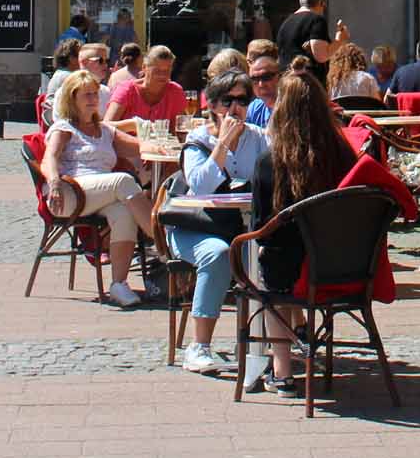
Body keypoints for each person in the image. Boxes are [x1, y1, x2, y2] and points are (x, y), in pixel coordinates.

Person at [243, 62, 359, 394]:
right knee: (288, 253)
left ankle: (282, 370)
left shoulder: (272, 159)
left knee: (273, 261)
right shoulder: (343, 154)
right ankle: (303, 332)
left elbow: (262, 225)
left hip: (292, 271)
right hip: (342, 265)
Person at [164, 72, 269, 374]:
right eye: (228, 101)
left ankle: (264, 342)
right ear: (211, 104)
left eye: (242, 100)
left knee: (273, 252)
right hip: (195, 228)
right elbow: (201, 186)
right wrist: (222, 144)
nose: (235, 108)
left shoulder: (259, 138)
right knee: (217, 254)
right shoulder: (198, 142)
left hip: (240, 226)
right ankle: (199, 346)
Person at [41, 71, 155, 306]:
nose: (93, 99)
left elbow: (140, 147)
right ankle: (163, 244)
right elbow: (48, 158)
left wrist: (164, 147)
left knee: (124, 214)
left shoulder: (103, 130)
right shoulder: (64, 128)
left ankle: (118, 284)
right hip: (68, 193)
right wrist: (53, 184)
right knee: (122, 180)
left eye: (95, 94)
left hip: (101, 193)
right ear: (72, 99)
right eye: (87, 95)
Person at [104, 44, 187, 127]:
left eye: (167, 70)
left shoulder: (175, 92)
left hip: (162, 140)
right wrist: (133, 125)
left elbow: (179, 127)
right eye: (157, 70)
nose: (163, 75)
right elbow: (107, 126)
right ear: (144, 67)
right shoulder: (127, 90)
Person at [273, 0, 334, 68]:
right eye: (324, 5)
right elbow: (322, 56)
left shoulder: (286, 23)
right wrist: (340, 40)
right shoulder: (316, 20)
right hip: (307, 79)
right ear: (321, 2)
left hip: (285, 78)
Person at [245, 51, 283, 129]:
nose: (261, 84)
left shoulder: (294, 106)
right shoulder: (254, 109)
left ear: (280, 77)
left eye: (266, 77)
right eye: (255, 79)